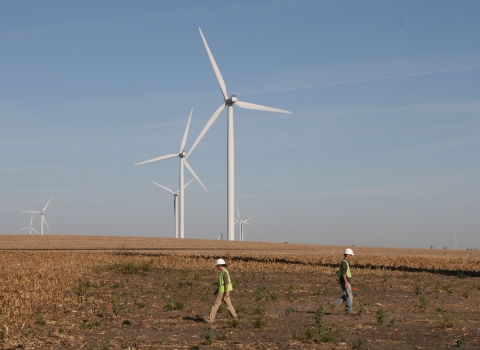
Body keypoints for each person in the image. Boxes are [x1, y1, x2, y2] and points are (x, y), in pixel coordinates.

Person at [204, 258, 238, 323]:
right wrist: (216, 290)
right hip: (223, 290)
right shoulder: (225, 272)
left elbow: (226, 283)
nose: (216, 267)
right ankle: (235, 318)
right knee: (229, 305)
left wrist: (227, 292)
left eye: (217, 265)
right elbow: (222, 283)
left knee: (215, 305)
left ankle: (210, 319)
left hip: (223, 291)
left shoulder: (224, 273)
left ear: (219, 265)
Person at [331, 248, 354, 314]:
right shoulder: (344, 263)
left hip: (344, 281)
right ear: (347, 255)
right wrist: (346, 282)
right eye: (351, 255)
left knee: (346, 295)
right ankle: (349, 311)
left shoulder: (344, 262)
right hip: (345, 281)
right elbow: (344, 273)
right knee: (349, 296)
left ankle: (334, 304)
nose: (351, 256)